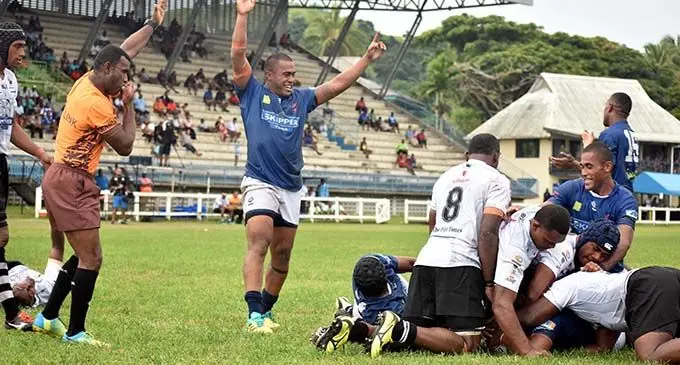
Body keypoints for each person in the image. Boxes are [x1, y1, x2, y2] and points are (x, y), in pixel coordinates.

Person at [231, 0, 386, 334]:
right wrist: (242, 16)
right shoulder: (252, 93)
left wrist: (366, 59)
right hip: (260, 181)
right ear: (268, 75)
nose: (292, 78)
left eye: (294, 74)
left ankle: (267, 312)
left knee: (282, 258)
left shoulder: (300, 99)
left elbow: (338, 84)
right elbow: (238, 55)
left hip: (291, 186)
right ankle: (253, 314)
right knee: (258, 243)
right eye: (286, 74)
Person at [33, 0, 167, 346]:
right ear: (108, 69)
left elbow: (125, 50)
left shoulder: (87, 82)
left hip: (70, 177)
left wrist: (152, 24)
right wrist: (128, 106)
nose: (126, 79)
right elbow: (125, 145)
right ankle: (75, 331)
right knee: (93, 258)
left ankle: (48, 318)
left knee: (81, 254)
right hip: (70, 180)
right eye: (124, 74)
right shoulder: (96, 102)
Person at [369, 133, 511, 357]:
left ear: (467, 155)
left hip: (427, 260)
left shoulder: (445, 176)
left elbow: (433, 222)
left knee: (422, 335)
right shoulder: (497, 180)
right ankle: (398, 327)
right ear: (496, 157)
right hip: (461, 264)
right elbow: (487, 232)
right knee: (467, 344)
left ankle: (358, 329)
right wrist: (489, 281)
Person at [0, 22, 54, 331]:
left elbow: (11, 126)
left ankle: (10, 313)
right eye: (18, 46)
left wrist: (40, 153)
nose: (24, 51)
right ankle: (11, 314)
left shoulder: (10, 81)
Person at [518, 267, 680, 363]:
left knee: (649, 354)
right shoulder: (590, 295)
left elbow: (530, 316)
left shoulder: (565, 285)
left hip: (648, 284)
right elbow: (607, 332)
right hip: (662, 277)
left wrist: (500, 317)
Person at [490, 205, 571, 357]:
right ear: (535, 226)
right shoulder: (515, 249)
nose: (551, 248)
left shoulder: (537, 214)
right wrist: (527, 350)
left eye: (556, 244)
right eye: (548, 241)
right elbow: (501, 305)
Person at [545, 142, 638, 273]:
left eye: (589, 167)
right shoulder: (572, 188)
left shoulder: (625, 200)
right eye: (582, 166)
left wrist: (601, 269)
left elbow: (623, 242)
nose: (583, 172)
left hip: (606, 273)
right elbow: (545, 210)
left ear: (607, 167)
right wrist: (523, 212)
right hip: (568, 267)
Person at [311, 254, 415, 353]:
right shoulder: (392, 308)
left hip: (362, 307)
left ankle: (347, 311)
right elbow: (411, 263)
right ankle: (352, 324)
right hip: (380, 316)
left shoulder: (364, 267)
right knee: (403, 336)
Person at [550, 92, 638, 191]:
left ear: (610, 107)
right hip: (628, 195)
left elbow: (601, 172)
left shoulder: (610, 134)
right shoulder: (631, 134)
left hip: (612, 197)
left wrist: (574, 162)